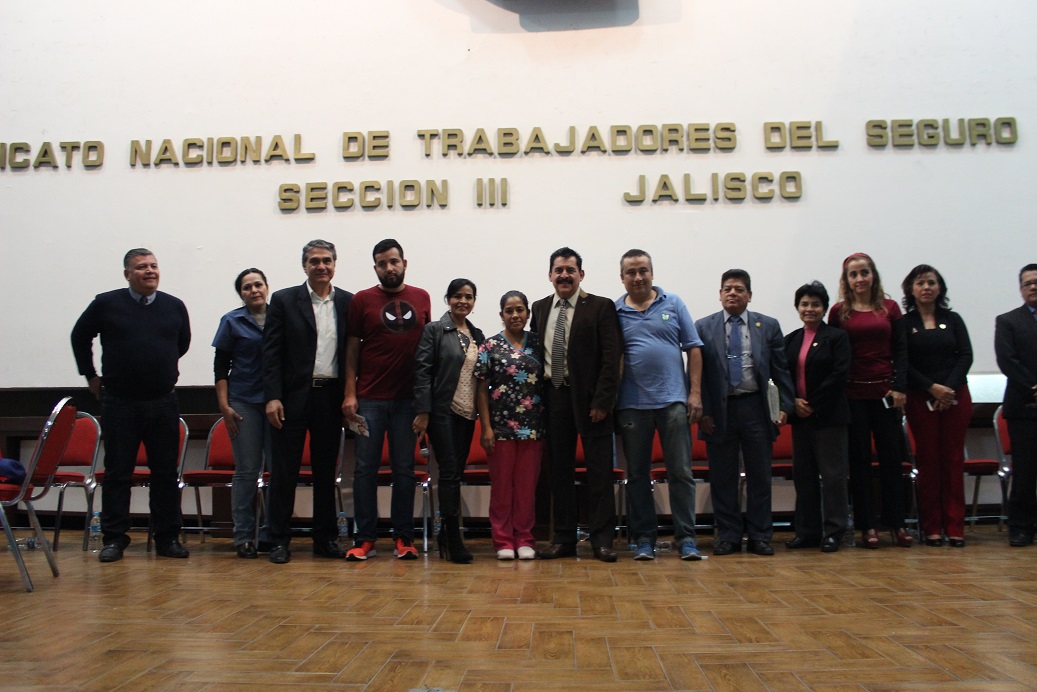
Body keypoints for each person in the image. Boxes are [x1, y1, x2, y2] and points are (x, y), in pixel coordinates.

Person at [71, 248, 191, 562]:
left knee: (165, 474)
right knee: (118, 473)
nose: (149, 271)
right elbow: (79, 335)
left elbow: (181, 344)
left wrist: (156, 365)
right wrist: (90, 374)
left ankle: (167, 538)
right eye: (141, 267)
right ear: (127, 274)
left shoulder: (174, 306)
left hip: (163, 401)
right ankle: (114, 539)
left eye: (153, 265)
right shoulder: (106, 303)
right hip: (120, 402)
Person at [263, 239, 353, 564]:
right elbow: (271, 353)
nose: (321, 266)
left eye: (327, 260)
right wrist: (272, 396)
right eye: (314, 261)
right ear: (304, 265)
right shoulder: (284, 300)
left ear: (335, 264)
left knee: (325, 472)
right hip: (291, 398)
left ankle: (325, 539)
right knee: (284, 471)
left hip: (330, 397)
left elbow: (353, 353)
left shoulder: (348, 302)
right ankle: (278, 540)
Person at [341, 239, 431, 561]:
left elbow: (427, 351)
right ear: (375, 267)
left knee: (404, 470)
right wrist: (350, 393)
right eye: (382, 263)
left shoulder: (422, 297)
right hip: (369, 400)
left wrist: (425, 403)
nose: (389, 268)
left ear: (405, 263)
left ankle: (403, 538)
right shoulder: (361, 300)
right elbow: (352, 349)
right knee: (365, 469)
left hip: (408, 401)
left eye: (394, 261)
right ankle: (364, 539)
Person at [531, 247, 623, 562]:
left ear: (581, 275)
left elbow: (612, 358)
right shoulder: (539, 308)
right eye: (559, 270)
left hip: (591, 401)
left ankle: (602, 541)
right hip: (553, 397)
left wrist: (603, 401)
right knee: (559, 472)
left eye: (570, 270)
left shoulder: (600, 306)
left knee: (599, 472)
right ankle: (564, 539)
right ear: (550, 275)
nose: (564, 275)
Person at [614, 249, 704, 561]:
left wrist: (695, 393)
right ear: (622, 277)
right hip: (631, 406)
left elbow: (694, 348)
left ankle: (687, 539)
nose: (638, 277)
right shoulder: (614, 311)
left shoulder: (673, 303)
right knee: (638, 475)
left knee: (681, 472)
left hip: (673, 403)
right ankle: (644, 540)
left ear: (652, 273)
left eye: (643, 270)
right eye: (631, 272)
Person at [697, 269, 794, 556]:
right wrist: (704, 411)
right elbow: (698, 375)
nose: (733, 293)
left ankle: (760, 536)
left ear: (749, 295)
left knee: (760, 476)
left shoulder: (769, 326)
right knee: (722, 477)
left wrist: (784, 406)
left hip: (756, 407)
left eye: (739, 289)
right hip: (720, 410)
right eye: (727, 288)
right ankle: (728, 536)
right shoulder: (703, 327)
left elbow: (780, 369)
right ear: (719, 294)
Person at [829, 252, 911, 549]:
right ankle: (867, 525)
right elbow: (835, 354)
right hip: (853, 396)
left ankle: (898, 523)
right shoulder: (838, 312)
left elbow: (901, 350)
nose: (859, 279)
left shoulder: (890, 308)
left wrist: (900, 387)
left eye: (864, 272)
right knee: (859, 462)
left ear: (873, 275)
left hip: (886, 395)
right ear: (846, 280)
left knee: (892, 460)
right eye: (853, 274)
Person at [901, 265, 973, 548]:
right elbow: (903, 362)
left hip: (955, 397)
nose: (926, 288)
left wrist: (947, 390)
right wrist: (932, 388)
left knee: (953, 460)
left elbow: (965, 355)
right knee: (928, 461)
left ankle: (955, 527)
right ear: (911, 289)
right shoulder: (904, 324)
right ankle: (932, 527)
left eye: (931, 282)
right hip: (921, 398)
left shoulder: (953, 319)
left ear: (939, 287)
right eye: (920, 283)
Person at [414, 279, 485, 563]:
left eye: (468, 296)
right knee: (450, 473)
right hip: (442, 411)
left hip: (467, 414)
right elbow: (422, 371)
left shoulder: (477, 334)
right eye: (457, 296)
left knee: (456, 473)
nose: (462, 301)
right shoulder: (435, 330)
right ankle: (453, 537)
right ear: (448, 299)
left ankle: (446, 533)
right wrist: (423, 411)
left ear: (474, 301)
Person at [475, 291, 545, 561]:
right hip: (500, 429)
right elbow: (481, 389)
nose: (515, 315)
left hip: (533, 427)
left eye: (519, 310)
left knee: (526, 488)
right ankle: (503, 540)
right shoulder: (490, 346)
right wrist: (486, 427)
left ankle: (524, 538)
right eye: (509, 310)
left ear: (527, 313)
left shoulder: (539, 343)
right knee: (502, 488)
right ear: (501, 315)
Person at [783, 281, 851, 553]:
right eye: (804, 304)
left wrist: (811, 403)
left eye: (815, 304)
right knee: (804, 477)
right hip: (800, 418)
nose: (809, 309)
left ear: (824, 308)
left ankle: (834, 531)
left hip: (829, 417)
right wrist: (793, 402)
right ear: (797, 308)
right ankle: (807, 532)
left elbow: (840, 375)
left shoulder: (837, 337)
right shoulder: (791, 340)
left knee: (833, 477)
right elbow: (782, 376)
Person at [212, 268, 272, 559]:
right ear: (241, 294)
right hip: (243, 402)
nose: (254, 290)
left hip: (275, 403)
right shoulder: (231, 320)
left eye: (258, 284)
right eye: (247, 287)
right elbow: (220, 367)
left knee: (278, 471)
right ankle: (244, 537)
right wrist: (225, 406)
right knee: (247, 471)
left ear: (267, 287)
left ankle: (272, 534)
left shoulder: (280, 317)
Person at [995, 263, 1037, 548]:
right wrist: (1033, 387)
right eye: (1027, 283)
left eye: (1036, 282)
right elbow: (1007, 360)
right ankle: (1021, 528)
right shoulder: (1008, 321)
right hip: (1024, 408)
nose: (1033, 287)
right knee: (1024, 472)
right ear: (1021, 289)